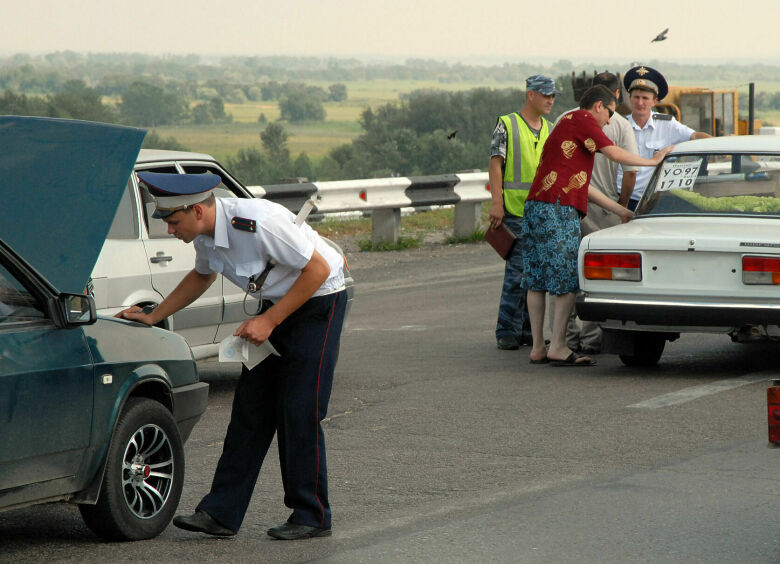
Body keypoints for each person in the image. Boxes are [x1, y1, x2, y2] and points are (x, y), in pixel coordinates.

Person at [117, 171, 347, 540]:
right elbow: (201, 276)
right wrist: (153, 315)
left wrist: (270, 320)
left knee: (299, 410)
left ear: (197, 211)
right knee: (250, 412)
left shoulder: (258, 223)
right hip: (279, 306)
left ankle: (312, 514)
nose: (171, 230)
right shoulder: (207, 235)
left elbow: (318, 270)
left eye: (174, 222)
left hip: (319, 303)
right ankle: (220, 513)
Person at [521, 85, 673, 366]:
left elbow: (584, 187)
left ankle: (537, 347)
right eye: (610, 113)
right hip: (558, 209)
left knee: (536, 279)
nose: (610, 122)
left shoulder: (568, 125)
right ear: (599, 106)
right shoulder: (583, 119)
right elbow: (615, 154)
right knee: (567, 280)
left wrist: (620, 211)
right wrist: (652, 161)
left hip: (538, 206)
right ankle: (558, 346)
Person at [553, 72, 641, 354]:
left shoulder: (564, 118)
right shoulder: (620, 125)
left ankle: (565, 337)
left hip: (567, 204)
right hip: (603, 210)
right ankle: (592, 339)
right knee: (599, 274)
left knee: (567, 273)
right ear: (613, 96)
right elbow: (630, 172)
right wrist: (621, 205)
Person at [488, 74, 559, 350]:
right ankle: (507, 329)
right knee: (517, 274)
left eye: (553, 96)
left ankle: (529, 331)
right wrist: (498, 203)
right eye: (545, 95)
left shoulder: (550, 129)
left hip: (542, 212)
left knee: (536, 275)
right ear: (531, 95)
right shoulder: (507, 125)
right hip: (516, 211)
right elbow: (496, 165)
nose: (550, 100)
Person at [618, 65, 711, 211]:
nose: (640, 103)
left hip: (651, 201)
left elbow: (694, 136)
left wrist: (717, 142)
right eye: (636, 97)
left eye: (645, 98)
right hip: (621, 198)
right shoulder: (619, 125)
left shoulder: (667, 125)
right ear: (629, 98)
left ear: (655, 101)